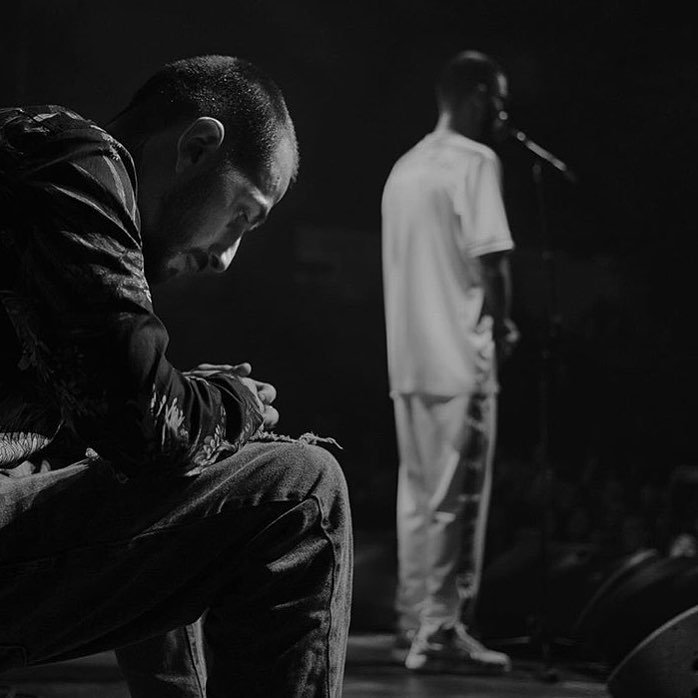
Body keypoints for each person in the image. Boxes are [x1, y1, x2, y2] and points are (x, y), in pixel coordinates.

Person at [0, 55, 352, 697]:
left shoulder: (36, 170)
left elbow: (121, 417)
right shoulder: (73, 158)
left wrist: (186, 407)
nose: (226, 258)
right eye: (242, 214)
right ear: (196, 148)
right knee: (302, 491)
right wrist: (232, 403)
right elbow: (143, 426)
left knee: (163, 468)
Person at [381, 50, 518, 674]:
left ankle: (414, 620)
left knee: (418, 497)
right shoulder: (475, 161)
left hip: (408, 359)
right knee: (456, 502)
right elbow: (492, 259)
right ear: (478, 93)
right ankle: (440, 631)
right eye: (499, 98)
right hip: (460, 356)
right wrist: (505, 324)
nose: (502, 112)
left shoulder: (404, 167)